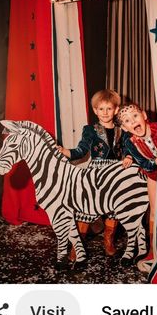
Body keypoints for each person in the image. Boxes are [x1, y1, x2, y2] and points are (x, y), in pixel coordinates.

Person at [58, 89, 132, 261]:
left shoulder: (123, 130)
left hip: (115, 173)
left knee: (114, 209)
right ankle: (78, 245)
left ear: (115, 110)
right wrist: (65, 151)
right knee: (86, 208)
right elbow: (81, 150)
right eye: (101, 109)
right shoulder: (90, 130)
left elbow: (129, 148)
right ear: (95, 110)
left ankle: (108, 240)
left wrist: (128, 156)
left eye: (109, 109)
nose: (105, 113)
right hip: (95, 173)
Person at [117, 103, 157, 272]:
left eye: (135, 116)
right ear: (124, 127)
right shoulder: (130, 143)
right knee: (155, 210)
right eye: (127, 120)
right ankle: (154, 251)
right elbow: (144, 164)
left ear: (144, 115)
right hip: (154, 175)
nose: (133, 121)